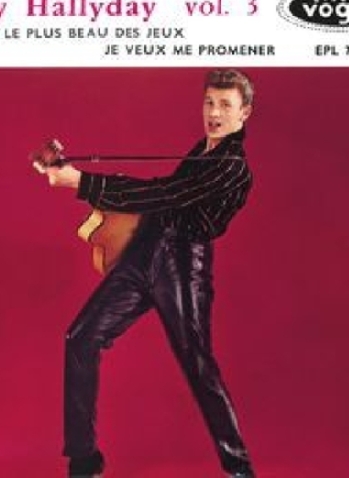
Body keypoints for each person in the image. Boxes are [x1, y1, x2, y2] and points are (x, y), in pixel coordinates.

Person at [43, 69, 257, 478]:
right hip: (146, 251)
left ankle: (240, 468)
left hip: (182, 265)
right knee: (81, 337)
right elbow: (157, 197)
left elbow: (163, 195)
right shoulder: (202, 150)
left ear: (244, 113)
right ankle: (84, 459)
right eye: (209, 102)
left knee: (197, 364)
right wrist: (82, 181)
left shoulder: (232, 168)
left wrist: (81, 182)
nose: (214, 113)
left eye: (225, 105)